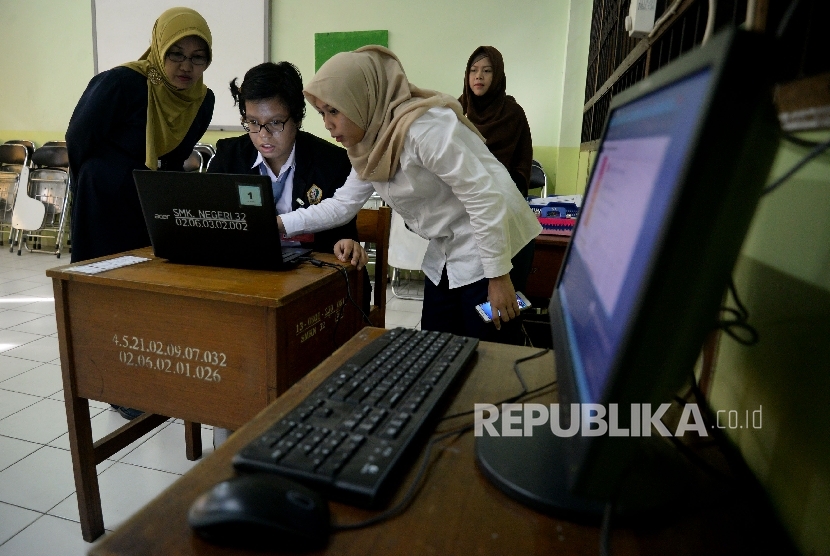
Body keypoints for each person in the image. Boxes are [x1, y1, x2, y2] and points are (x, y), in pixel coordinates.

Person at [279, 46, 541, 343]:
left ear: (360, 99)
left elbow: (484, 197)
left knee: (487, 347)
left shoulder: (423, 130)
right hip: (450, 246)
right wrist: (279, 223)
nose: (327, 124)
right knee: (435, 342)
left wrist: (499, 277)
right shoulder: (369, 146)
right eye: (322, 113)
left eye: (334, 111)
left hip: (498, 242)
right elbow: (342, 205)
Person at [66, 7, 215, 420]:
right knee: (108, 291)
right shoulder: (122, 82)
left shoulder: (203, 100)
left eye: (197, 57)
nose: (186, 66)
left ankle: (149, 375)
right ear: (159, 48)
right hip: (105, 200)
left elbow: (179, 156)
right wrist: (92, 189)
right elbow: (78, 139)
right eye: (176, 54)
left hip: (150, 201)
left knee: (149, 290)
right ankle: (117, 385)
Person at [207, 62, 366, 266]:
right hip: (245, 267)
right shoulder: (228, 157)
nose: (263, 135)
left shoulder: (332, 162)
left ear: (297, 118)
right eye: (253, 122)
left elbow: (343, 234)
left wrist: (346, 244)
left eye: (275, 122)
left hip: (309, 272)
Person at [459, 46, 533, 197]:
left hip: (503, 196)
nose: (479, 76)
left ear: (497, 75)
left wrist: (505, 191)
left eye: (487, 71)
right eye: (473, 70)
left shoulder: (513, 113)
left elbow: (522, 165)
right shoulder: (457, 110)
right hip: (461, 196)